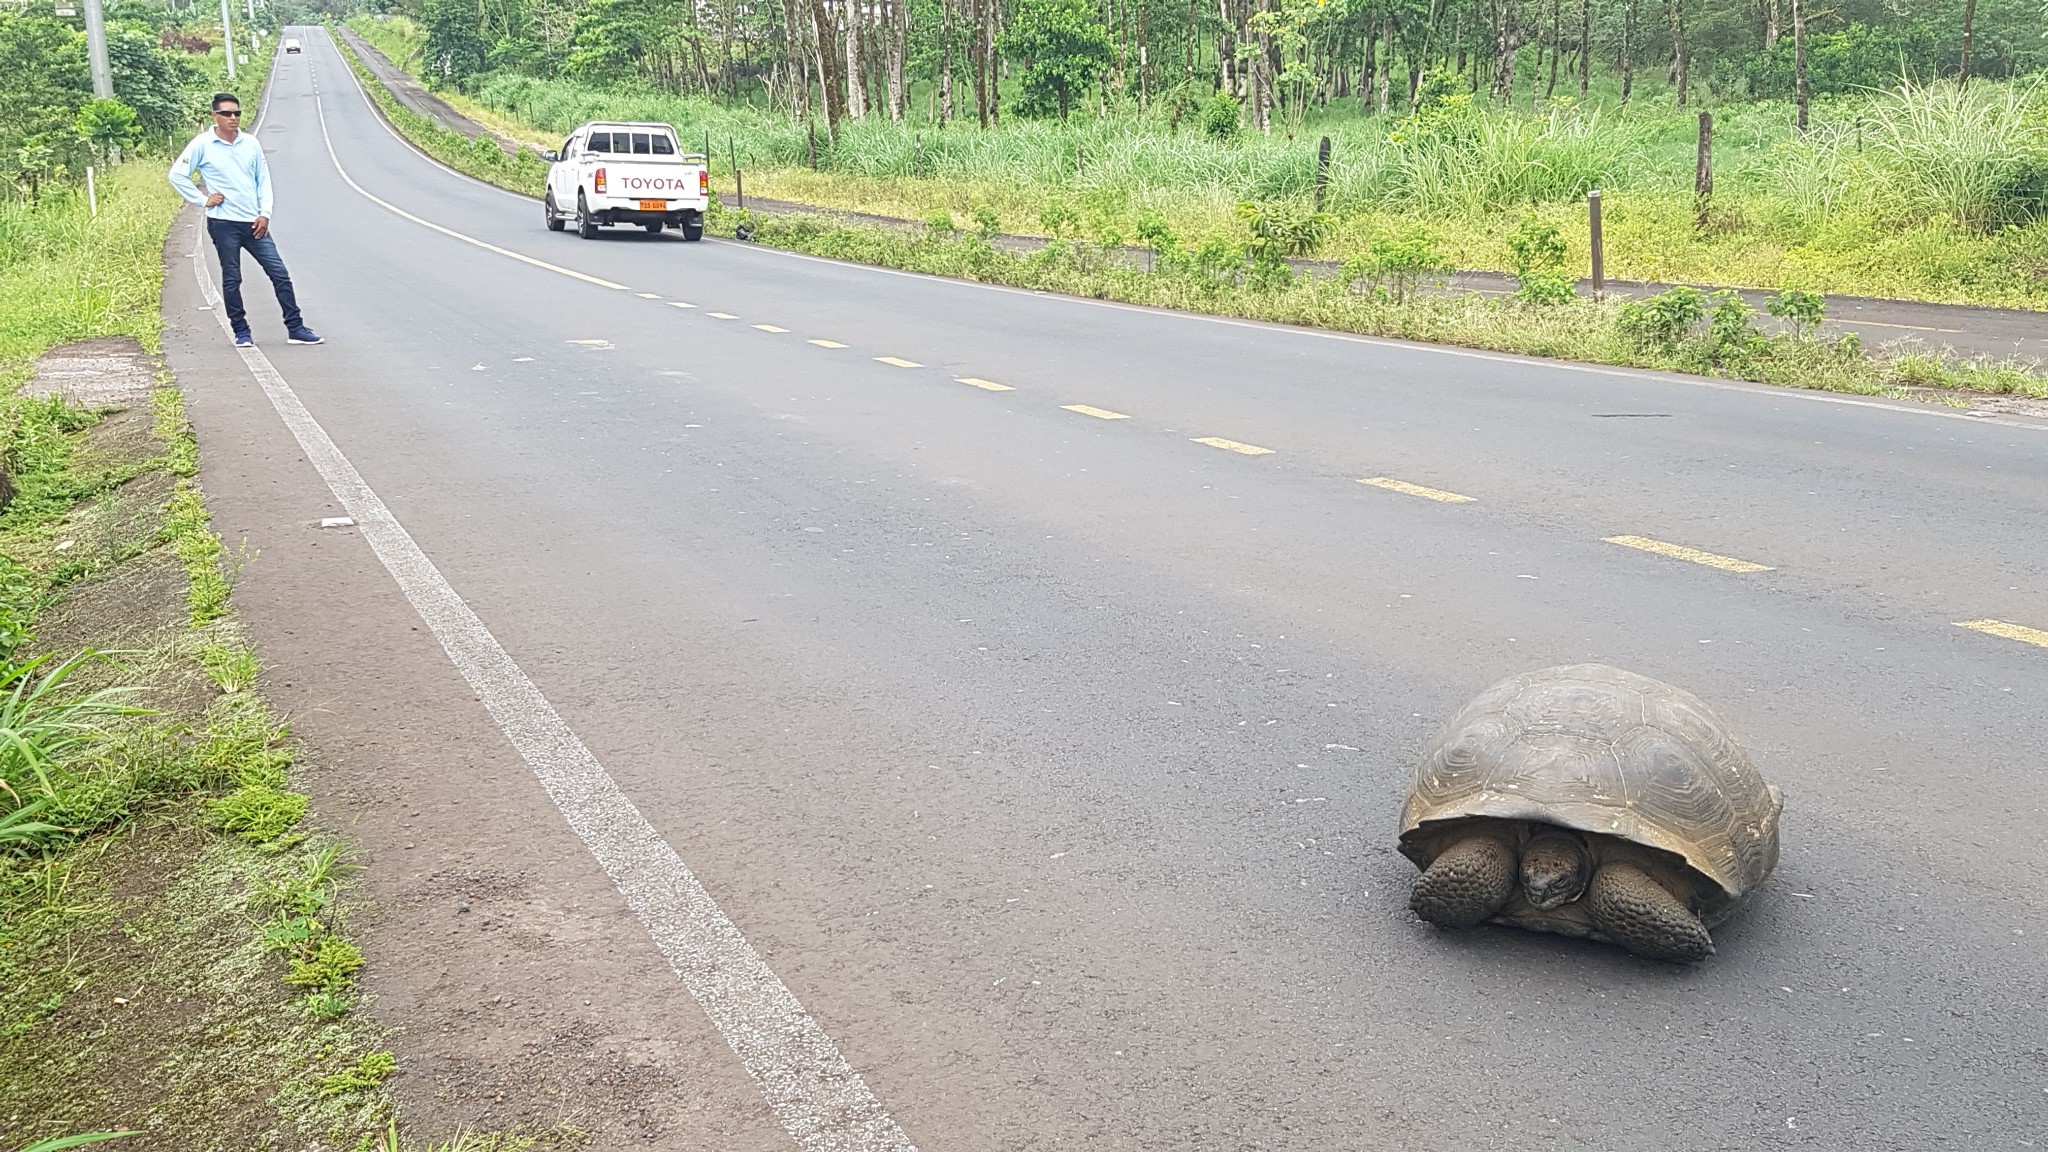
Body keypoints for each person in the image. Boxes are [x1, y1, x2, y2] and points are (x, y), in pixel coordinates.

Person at [169, 93, 322, 347]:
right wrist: (203, 199)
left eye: (236, 113)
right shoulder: (202, 144)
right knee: (232, 278)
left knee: (279, 273)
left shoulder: (250, 143)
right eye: (227, 114)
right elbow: (177, 175)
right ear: (214, 116)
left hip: (254, 223)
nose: (233, 118)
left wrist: (265, 214)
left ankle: (295, 327)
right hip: (223, 223)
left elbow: (263, 180)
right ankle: (241, 331)